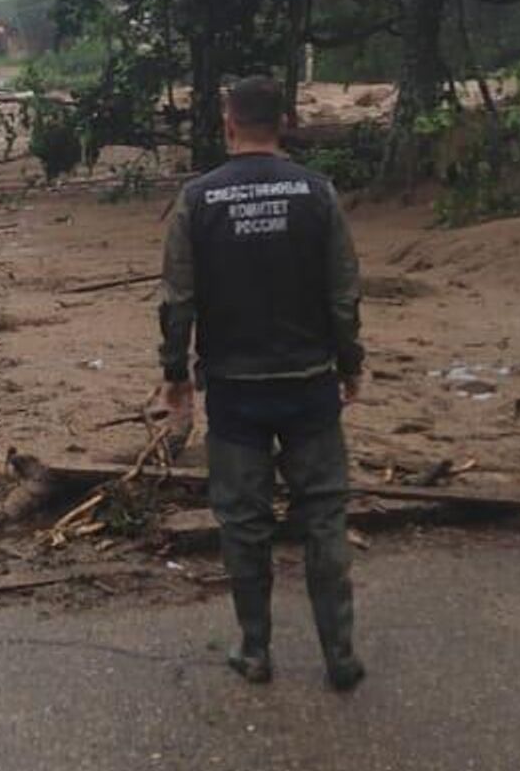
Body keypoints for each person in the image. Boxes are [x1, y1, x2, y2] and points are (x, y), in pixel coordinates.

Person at [157, 74, 367, 690]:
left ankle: (254, 649)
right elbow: (343, 295)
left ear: (228, 124)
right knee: (324, 517)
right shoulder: (318, 194)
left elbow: (177, 301)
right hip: (308, 387)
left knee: (244, 524)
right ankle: (340, 655)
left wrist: (176, 377)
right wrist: (351, 363)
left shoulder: (198, 200)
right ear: (285, 123)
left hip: (235, 390)